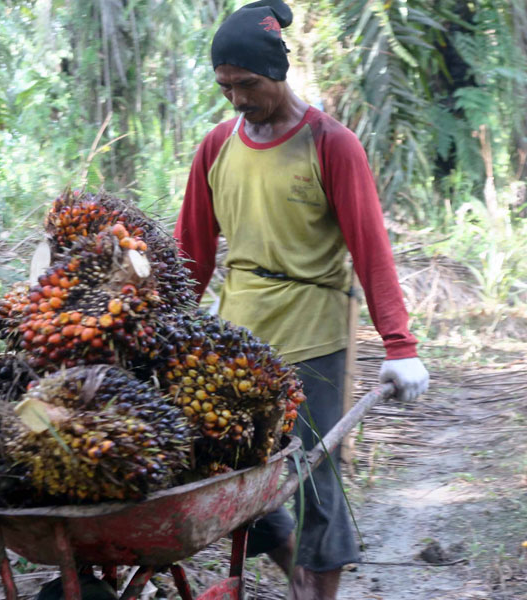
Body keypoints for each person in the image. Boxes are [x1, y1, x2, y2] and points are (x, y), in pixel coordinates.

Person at [173, 2, 430, 599]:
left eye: (247, 84)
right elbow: (191, 254)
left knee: (317, 480)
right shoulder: (216, 147)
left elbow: (370, 250)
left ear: (277, 71)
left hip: (313, 337)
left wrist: (400, 346)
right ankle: (298, 578)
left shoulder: (330, 144)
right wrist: (162, 327)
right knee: (231, 476)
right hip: (237, 341)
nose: (237, 98)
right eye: (225, 86)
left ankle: (321, 590)